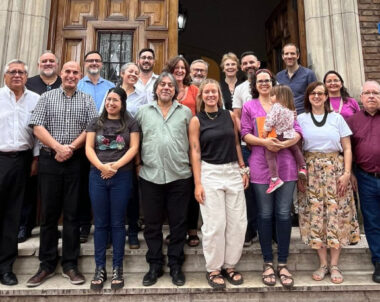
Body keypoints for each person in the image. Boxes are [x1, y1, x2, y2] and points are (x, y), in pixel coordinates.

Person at [27, 61, 98, 287]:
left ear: (79, 76)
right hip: (50, 160)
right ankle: (46, 265)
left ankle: (70, 264)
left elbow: (92, 127)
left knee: (72, 213)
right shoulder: (46, 98)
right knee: (48, 214)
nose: (70, 75)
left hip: (76, 161)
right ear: (61, 74)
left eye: (75, 72)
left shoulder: (87, 99)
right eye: (67, 71)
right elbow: (36, 125)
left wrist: (70, 149)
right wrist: (58, 147)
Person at [241, 69, 301, 289]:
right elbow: (244, 133)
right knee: (264, 214)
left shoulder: (284, 104)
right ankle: (267, 262)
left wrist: (285, 144)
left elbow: (297, 130)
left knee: (284, 213)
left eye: (267, 80)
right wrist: (264, 142)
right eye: (260, 81)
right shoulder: (249, 107)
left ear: (273, 83)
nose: (264, 84)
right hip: (259, 165)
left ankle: (283, 263)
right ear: (255, 85)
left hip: (285, 164)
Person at [297, 81, 360, 284]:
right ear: (308, 97)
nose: (317, 96)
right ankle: (322, 263)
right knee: (316, 216)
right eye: (313, 93)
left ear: (326, 97)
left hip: (336, 171)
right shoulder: (301, 119)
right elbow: (296, 149)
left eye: (321, 93)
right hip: (311, 172)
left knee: (336, 215)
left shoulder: (337, 118)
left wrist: (347, 172)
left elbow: (347, 148)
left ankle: (334, 264)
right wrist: (300, 174)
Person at [189, 79, 249, 289]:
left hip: (232, 170)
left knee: (237, 223)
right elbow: (195, 152)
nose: (211, 95)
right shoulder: (197, 120)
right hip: (210, 172)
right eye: (207, 92)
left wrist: (242, 167)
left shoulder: (230, 116)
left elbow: (236, 142)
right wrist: (198, 183)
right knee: (215, 224)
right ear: (202, 96)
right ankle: (214, 268)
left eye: (214, 92)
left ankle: (230, 266)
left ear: (219, 95)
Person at [135, 72, 193, 287]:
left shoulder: (186, 112)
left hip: (180, 176)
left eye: (170, 85)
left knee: (178, 224)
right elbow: (136, 141)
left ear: (175, 90)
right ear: (156, 89)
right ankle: (155, 264)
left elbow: (194, 145)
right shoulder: (142, 112)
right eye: (162, 85)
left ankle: (176, 265)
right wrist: (138, 165)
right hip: (150, 175)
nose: (166, 87)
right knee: (152, 224)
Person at [86, 87, 139, 290]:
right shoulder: (95, 122)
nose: (111, 103)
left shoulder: (131, 123)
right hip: (97, 176)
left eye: (115, 100)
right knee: (100, 224)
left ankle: (118, 268)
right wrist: (102, 167)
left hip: (122, 177)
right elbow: (89, 147)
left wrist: (114, 167)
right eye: (108, 99)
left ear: (122, 103)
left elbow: (134, 148)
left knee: (117, 223)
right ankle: (100, 268)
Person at [0, 59, 39, 286]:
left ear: (26, 76)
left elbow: (37, 131)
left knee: (13, 216)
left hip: (21, 161)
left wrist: (35, 157)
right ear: (5, 76)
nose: (17, 75)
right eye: (13, 72)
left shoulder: (34, 99)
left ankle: (6, 267)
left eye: (21, 72)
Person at [17, 51, 62, 243]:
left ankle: (53, 227)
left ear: (57, 64)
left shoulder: (64, 83)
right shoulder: (28, 84)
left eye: (52, 60)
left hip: (61, 147)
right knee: (29, 189)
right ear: (38, 64)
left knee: (54, 192)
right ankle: (24, 226)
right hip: (34, 146)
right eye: (44, 61)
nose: (48, 63)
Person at [77, 50, 115, 243]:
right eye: (90, 60)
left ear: (101, 64)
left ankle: (108, 228)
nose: (94, 63)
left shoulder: (110, 86)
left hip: (106, 144)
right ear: (85, 63)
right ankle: (84, 225)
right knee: (84, 186)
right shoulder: (76, 85)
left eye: (97, 60)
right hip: (81, 142)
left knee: (107, 185)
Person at [163, 56, 200, 247]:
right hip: (171, 146)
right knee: (172, 190)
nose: (179, 71)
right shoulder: (164, 90)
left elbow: (202, 115)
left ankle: (192, 229)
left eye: (182, 68)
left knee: (192, 186)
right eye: (176, 68)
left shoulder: (194, 90)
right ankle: (175, 229)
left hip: (191, 145)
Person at [347, 80, 380, 283]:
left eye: (375, 93)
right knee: (372, 221)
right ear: (360, 98)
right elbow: (346, 149)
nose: (371, 96)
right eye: (367, 93)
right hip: (366, 178)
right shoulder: (352, 121)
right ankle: (378, 260)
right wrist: (350, 172)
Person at [232, 51, 261, 247]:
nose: (249, 65)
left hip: (273, 147)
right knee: (248, 190)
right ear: (241, 67)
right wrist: (247, 137)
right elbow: (237, 117)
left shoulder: (271, 84)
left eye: (252, 62)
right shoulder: (240, 89)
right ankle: (250, 230)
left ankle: (271, 231)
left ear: (258, 63)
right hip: (247, 146)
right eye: (245, 63)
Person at [262, 85, 307, 194]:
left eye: (272, 95)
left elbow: (270, 119)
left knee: (270, 155)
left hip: (277, 134)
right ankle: (303, 167)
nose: (270, 97)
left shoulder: (276, 106)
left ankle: (274, 178)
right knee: (295, 149)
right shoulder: (291, 108)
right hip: (288, 134)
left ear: (279, 96)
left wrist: (265, 130)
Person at [276, 43, 317, 115]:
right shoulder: (279, 76)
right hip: (284, 118)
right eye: (286, 54)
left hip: (305, 116)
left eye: (292, 53)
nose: (289, 56)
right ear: (282, 56)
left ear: (298, 56)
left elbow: (315, 96)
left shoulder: (309, 74)